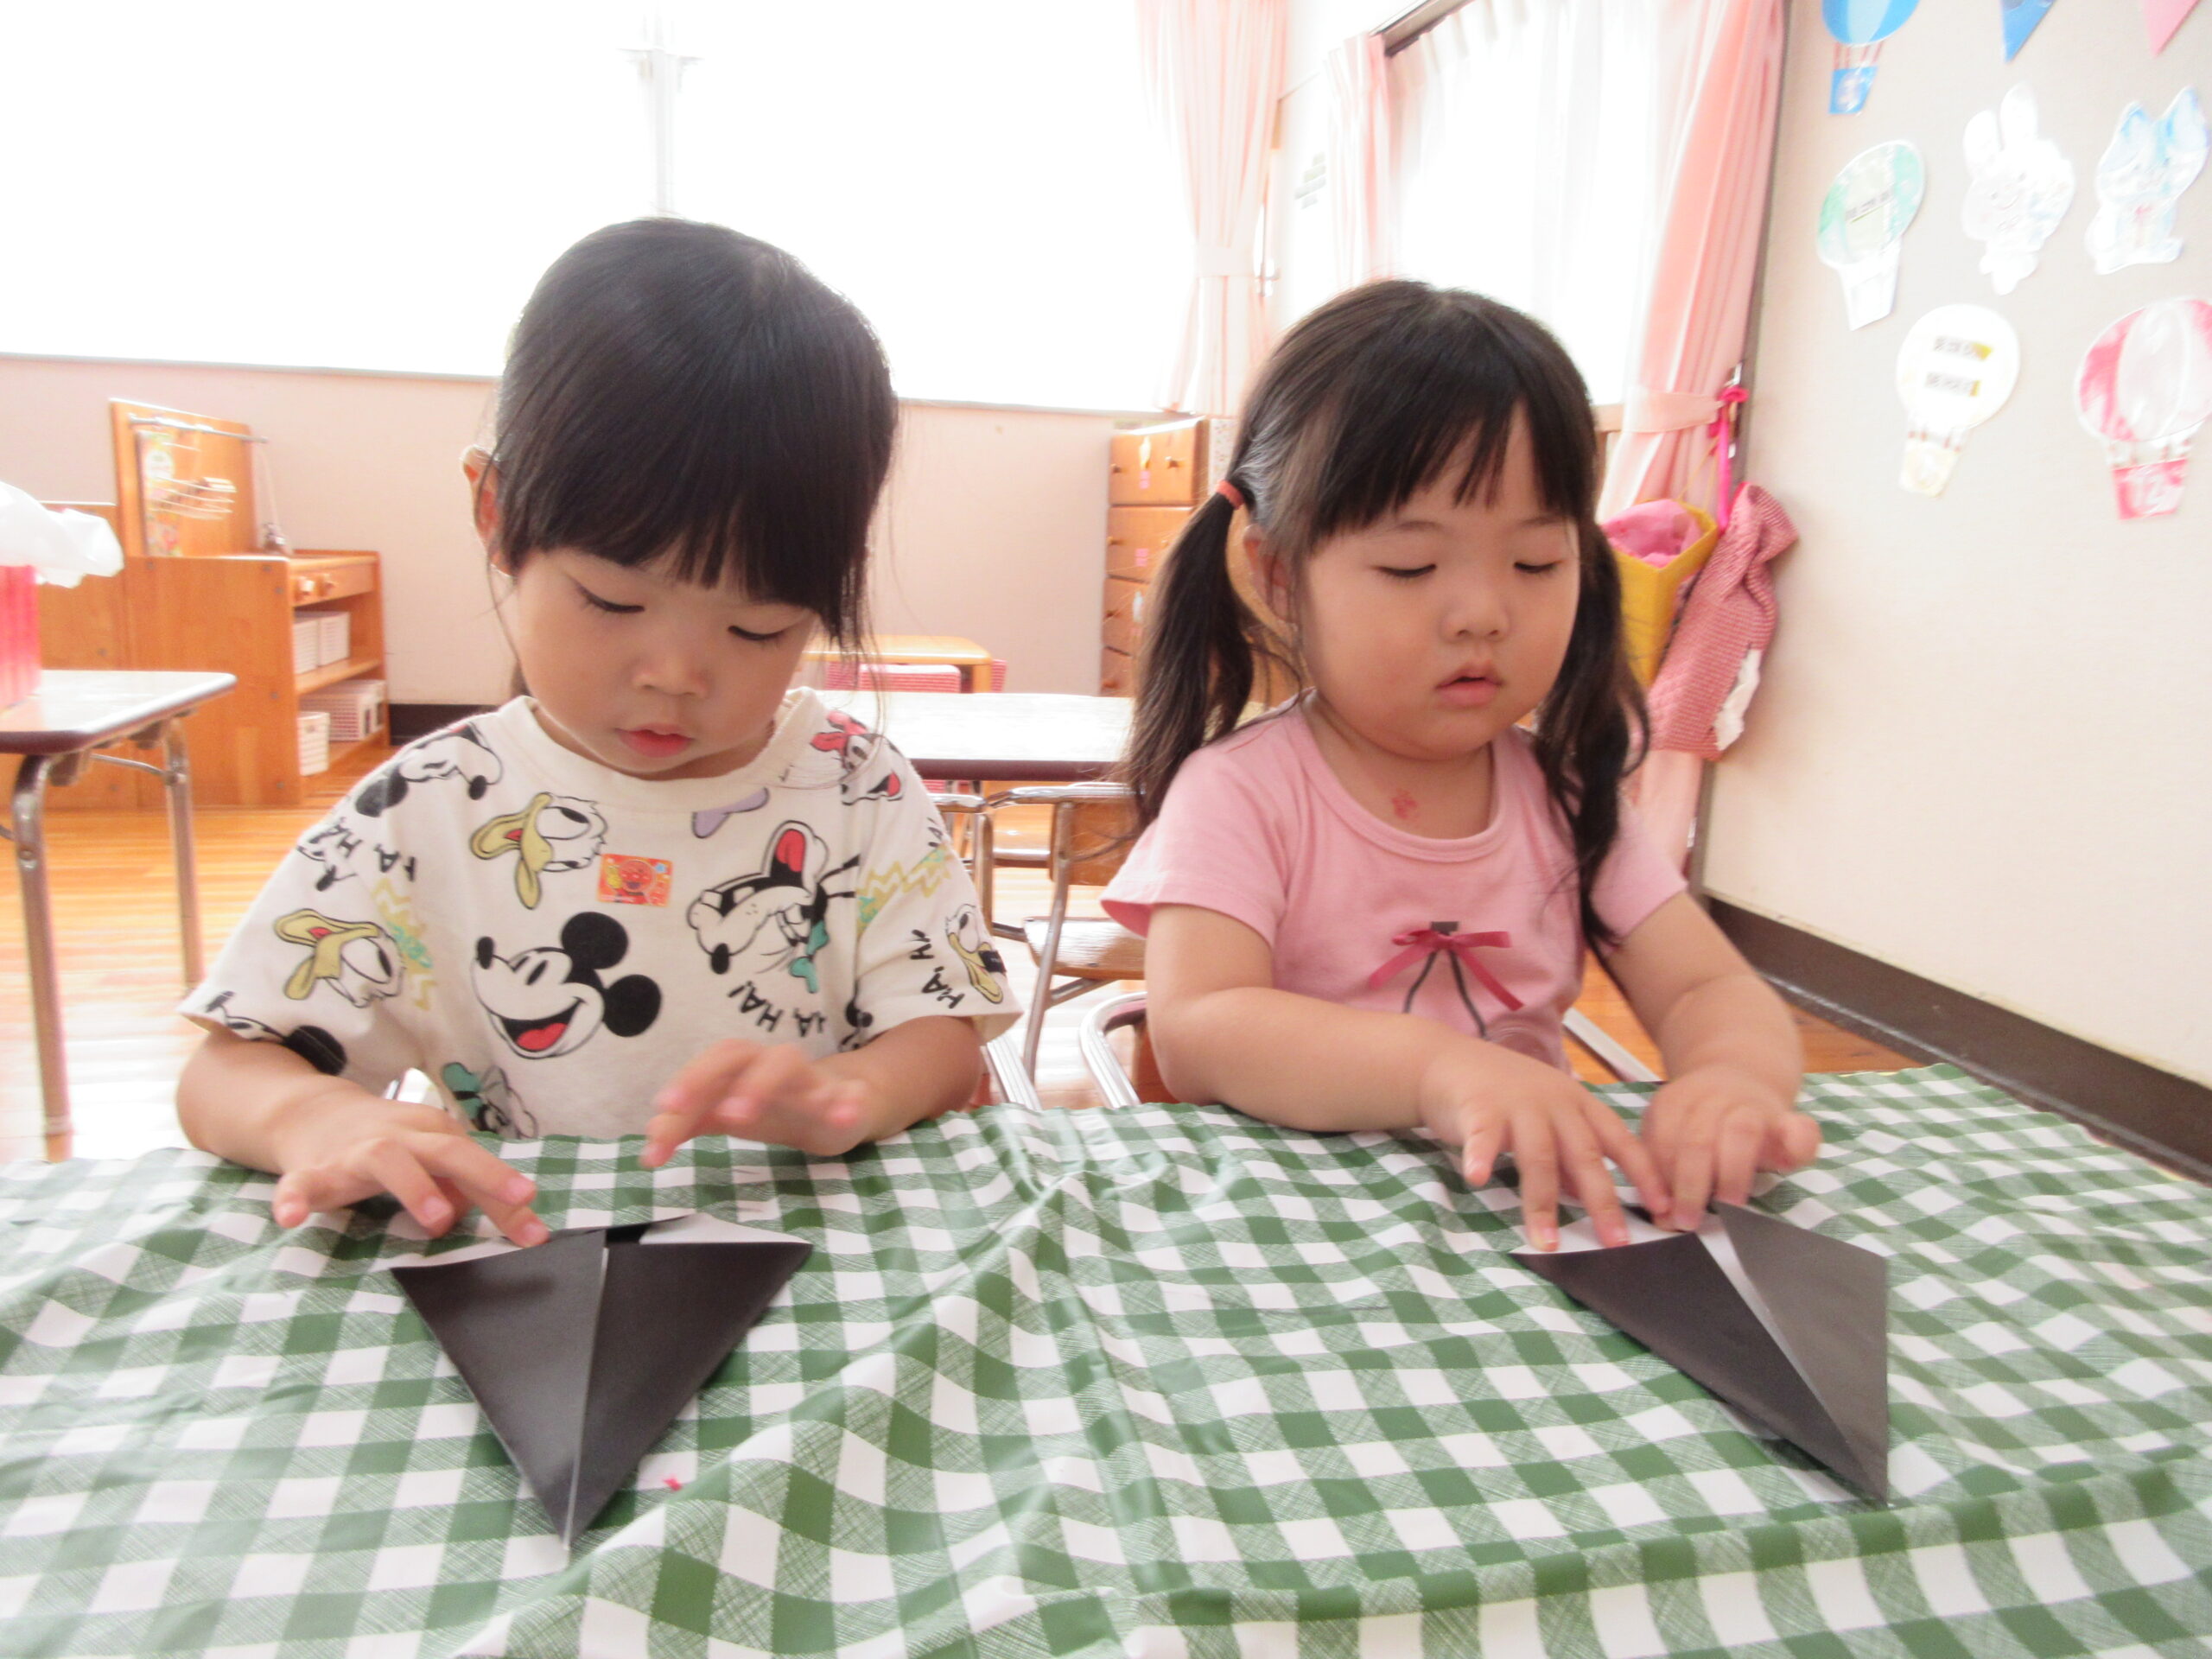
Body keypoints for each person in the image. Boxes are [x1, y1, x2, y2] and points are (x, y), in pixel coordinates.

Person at [176, 219, 1015, 1247]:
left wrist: (858, 1093)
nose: (677, 676)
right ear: (496, 513)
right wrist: (319, 1118)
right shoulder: (425, 810)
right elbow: (228, 1068)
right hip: (523, 1260)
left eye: (758, 628)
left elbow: (942, 1033)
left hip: (816, 1261)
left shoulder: (855, 791)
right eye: (614, 602)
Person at [1104, 281, 1815, 1251]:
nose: (1483, 612)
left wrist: (1731, 1081)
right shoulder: (1240, 793)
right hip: (1293, 1236)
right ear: (1280, 575)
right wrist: (1435, 1071)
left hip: (1517, 1240)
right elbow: (1200, 1028)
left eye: (1536, 563)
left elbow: (1705, 989)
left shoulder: (1564, 798)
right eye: (1411, 567)